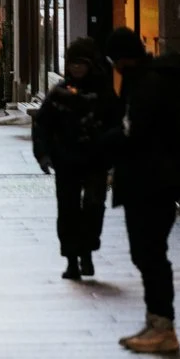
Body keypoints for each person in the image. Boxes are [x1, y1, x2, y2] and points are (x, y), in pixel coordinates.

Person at [105, 27, 180, 355]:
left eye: (115, 60)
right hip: (156, 180)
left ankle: (163, 327)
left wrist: (107, 140)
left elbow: (136, 135)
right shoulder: (151, 79)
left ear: (122, 58)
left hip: (150, 182)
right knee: (148, 253)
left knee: (149, 253)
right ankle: (156, 321)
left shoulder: (145, 86)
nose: (114, 67)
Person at [32, 37, 121, 281]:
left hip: (96, 160)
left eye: (81, 64)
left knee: (94, 206)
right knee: (68, 209)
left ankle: (87, 252)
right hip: (67, 160)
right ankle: (72, 260)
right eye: (73, 64)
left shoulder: (103, 93)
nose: (76, 69)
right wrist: (44, 155)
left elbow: (116, 124)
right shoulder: (59, 93)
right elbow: (42, 125)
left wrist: (112, 150)